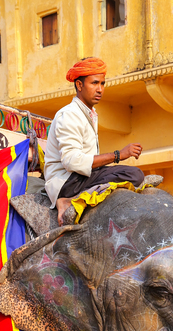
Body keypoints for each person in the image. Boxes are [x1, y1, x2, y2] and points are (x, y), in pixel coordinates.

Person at [44, 57, 144, 226]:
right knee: (134, 175)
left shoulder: (89, 113)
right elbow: (72, 161)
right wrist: (118, 155)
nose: (100, 89)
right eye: (94, 83)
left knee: (132, 174)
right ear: (79, 85)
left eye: (102, 84)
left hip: (82, 176)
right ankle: (67, 200)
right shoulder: (69, 114)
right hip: (68, 181)